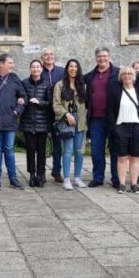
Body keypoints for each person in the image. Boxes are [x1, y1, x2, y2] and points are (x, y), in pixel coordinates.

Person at [107, 66, 139, 193]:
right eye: (124, 74)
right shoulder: (115, 92)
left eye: (129, 74)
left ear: (134, 76)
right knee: (121, 157)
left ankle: (134, 184)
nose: (127, 76)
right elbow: (110, 112)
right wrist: (114, 128)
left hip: (136, 127)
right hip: (121, 127)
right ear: (120, 77)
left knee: (134, 158)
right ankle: (122, 184)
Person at [0, 54, 27, 190]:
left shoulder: (15, 78)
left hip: (10, 121)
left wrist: (17, 110)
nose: (12, 65)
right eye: (10, 62)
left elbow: (23, 97)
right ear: (1, 64)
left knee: (9, 150)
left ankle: (13, 179)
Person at [85, 47, 121, 189]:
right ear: (96, 58)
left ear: (109, 57)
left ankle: (116, 178)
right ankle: (98, 177)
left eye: (105, 56)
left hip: (113, 118)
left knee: (115, 150)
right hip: (95, 119)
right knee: (96, 150)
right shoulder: (90, 76)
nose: (102, 59)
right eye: (99, 56)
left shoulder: (117, 73)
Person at [53, 59, 88, 190]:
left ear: (78, 69)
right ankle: (66, 179)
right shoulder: (60, 85)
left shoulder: (83, 85)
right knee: (67, 151)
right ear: (67, 69)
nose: (73, 69)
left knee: (79, 152)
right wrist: (66, 114)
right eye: (71, 66)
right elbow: (56, 104)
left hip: (81, 122)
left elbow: (86, 105)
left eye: (75, 67)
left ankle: (77, 178)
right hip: (67, 122)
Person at [20, 59, 53, 187]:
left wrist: (39, 102)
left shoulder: (46, 84)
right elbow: (21, 98)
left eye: (38, 67)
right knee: (30, 150)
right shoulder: (24, 83)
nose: (35, 69)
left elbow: (50, 103)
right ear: (30, 69)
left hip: (42, 124)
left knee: (41, 151)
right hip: (28, 123)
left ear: (41, 69)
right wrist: (24, 101)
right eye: (33, 67)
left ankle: (40, 175)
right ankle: (32, 175)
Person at [41, 48, 65, 183]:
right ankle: (42, 172)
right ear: (42, 58)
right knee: (42, 144)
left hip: (58, 112)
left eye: (51, 54)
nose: (49, 57)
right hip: (43, 112)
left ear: (54, 56)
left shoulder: (61, 71)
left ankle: (56, 171)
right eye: (46, 55)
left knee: (58, 143)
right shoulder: (39, 70)